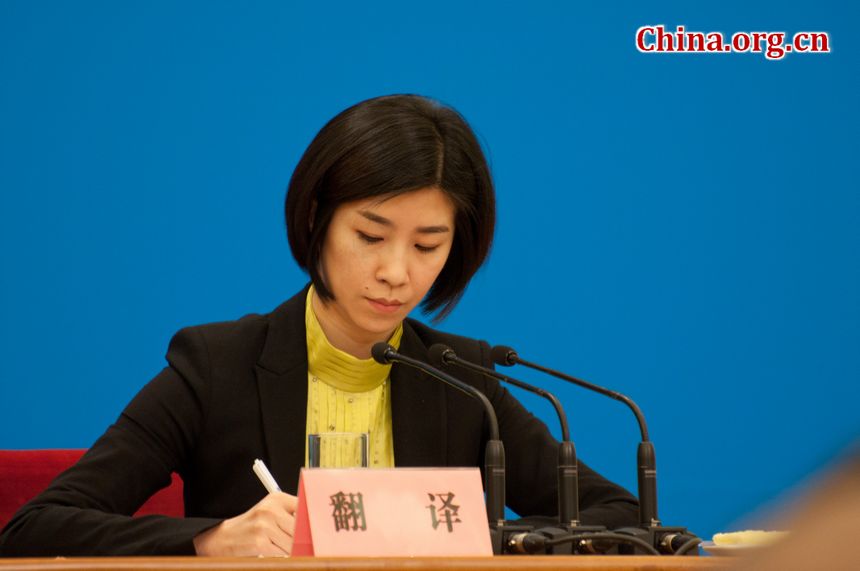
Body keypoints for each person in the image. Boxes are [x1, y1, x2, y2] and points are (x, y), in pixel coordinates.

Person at [0, 94, 638, 557]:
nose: (395, 272)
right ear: (315, 219)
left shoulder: (463, 383)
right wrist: (207, 540)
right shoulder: (216, 366)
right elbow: (37, 525)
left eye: (427, 245)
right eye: (370, 235)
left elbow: (622, 518)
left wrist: (490, 542)